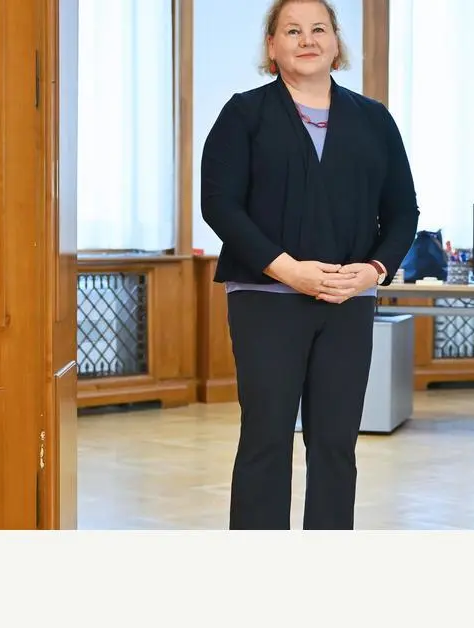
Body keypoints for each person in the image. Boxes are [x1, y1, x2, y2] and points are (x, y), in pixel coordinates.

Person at [199, 0, 419, 530]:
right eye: (292, 30)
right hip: (265, 300)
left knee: (336, 443)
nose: (307, 39)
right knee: (266, 439)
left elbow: (402, 210)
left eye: (319, 28)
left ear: (336, 43)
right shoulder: (244, 114)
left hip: (348, 301)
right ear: (271, 46)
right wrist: (286, 269)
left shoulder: (374, 119)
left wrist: (374, 270)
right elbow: (220, 204)